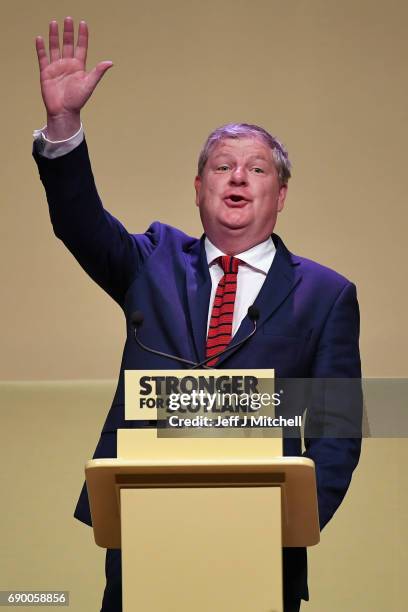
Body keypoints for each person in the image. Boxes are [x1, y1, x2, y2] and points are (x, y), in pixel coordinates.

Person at [33, 17, 362, 612]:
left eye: (258, 168)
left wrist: (293, 521)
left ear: (280, 194)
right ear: (198, 187)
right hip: (145, 538)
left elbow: (337, 430)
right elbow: (78, 222)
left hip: (261, 548)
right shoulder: (150, 261)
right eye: (222, 166)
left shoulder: (327, 295)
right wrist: (64, 126)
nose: (239, 177)